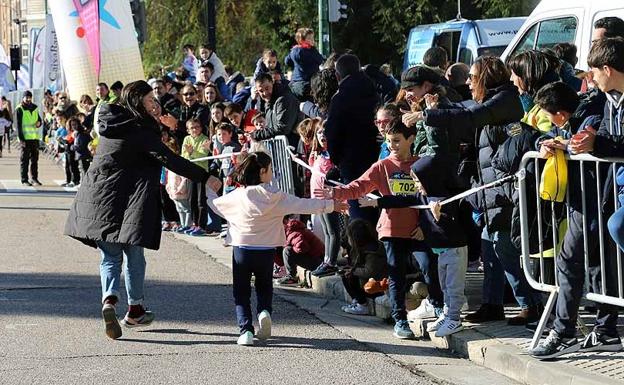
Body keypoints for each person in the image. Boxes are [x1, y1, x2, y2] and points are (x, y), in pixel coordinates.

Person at [64, 80, 211, 340]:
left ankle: (109, 300)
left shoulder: (111, 122)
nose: (155, 104)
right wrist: (206, 177)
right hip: (130, 202)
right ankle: (135, 308)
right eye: (150, 100)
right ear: (137, 101)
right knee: (134, 256)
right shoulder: (140, 131)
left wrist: (164, 127)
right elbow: (170, 158)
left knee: (109, 257)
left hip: (98, 199)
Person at [531, 37, 624, 360]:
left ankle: (569, 330)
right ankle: (603, 328)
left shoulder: (604, 99)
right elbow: (575, 134)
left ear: (607, 69)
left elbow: (601, 140)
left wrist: (592, 145)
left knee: (577, 260)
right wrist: (552, 142)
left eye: (593, 72)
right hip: (598, 194)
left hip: (601, 195)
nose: (588, 78)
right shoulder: (607, 97)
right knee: (592, 262)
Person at [206, 151, 346, 346]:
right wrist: (331, 205)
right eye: (270, 169)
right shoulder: (276, 197)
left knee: (241, 291)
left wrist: (209, 190)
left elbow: (214, 205)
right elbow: (305, 204)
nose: (272, 172)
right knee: (264, 285)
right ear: (263, 172)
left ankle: (245, 329)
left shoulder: (237, 195)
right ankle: (264, 311)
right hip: (267, 250)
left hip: (242, 249)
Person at [317, 121, 420, 340]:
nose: (392, 145)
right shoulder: (381, 166)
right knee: (396, 275)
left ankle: (437, 307)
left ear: (410, 140)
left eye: (396, 141)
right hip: (392, 228)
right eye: (389, 141)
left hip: (419, 229)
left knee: (429, 268)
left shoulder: (419, 165)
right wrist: (338, 193)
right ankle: (400, 320)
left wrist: (423, 225)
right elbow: (360, 186)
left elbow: (424, 198)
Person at [360, 155, 468, 336]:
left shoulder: (443, 199)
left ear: (429, 178)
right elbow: (403, 200)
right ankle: (448, 315)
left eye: (418, 181)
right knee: (445, 287)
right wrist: (377, 201)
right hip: (441, 251)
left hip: (454, 250)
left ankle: (455, 319)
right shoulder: (422, 196)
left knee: (453, 287)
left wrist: (438, 216)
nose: (416, 185)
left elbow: (452, 227)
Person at [324, 54, 380, 222]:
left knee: (358, 213)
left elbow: (332, 132)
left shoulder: (339, 98)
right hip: (377, 157)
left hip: (351, 162)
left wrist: (337, 160)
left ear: (337, 75)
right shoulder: (375, 90)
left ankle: (362, 245)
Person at [339, 219, 388, 316]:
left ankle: (362, 305)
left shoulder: (372, 251)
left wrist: (352, 271)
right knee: (345, 273)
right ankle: (357, 301)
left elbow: (370, 271)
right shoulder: (360, 248)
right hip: (368, 281)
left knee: (350, 276)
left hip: (376, 285)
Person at [508, 50, 561, 133]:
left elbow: (548, 141)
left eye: (513, 74)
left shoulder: (546, 110)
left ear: (526, 77)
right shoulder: (530, 105)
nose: (511, 79)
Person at [250, 73, 303, 148]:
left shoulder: (283, 99)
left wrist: (257, 135)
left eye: (267, 88)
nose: (265, 93)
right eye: (261, 91)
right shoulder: (268, 102)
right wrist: (254, 100)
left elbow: (283, 128)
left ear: (272, 83)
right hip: (279, 148)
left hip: (292, 146)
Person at [181, 118, 212, 237]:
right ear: (188, 130)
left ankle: (202, 225)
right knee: (191, 199)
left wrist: (192, 152)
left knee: (201, 200)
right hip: (190, 172)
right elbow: (183, 155)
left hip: (201, 172)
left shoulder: (205, 139)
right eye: (192, 128)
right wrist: (190, 153)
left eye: (197, 127)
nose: (195, 129)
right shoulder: (186, 139)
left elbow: (203, 154)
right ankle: (194, 223)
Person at [277, 216, 325, 286]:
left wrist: (289, 245)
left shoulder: (293, 232)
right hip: (318, 259)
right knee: (287, 250)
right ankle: (291, 276)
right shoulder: (293, 229)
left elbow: (303, 248)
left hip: (318, 261)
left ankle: (291, 277)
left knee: (287, 251)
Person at [284, 28, 324, 101]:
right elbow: (320, 60)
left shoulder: (295, 50)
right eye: (309, 38)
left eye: (312, 38)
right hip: (309, 84)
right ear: (302, 40)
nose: (312, 40)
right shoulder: (312, 51)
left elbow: (287, 61)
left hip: (296, 84)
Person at [16, 90, 43, 186]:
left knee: (35, 160)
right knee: (25, 160)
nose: (28, 99)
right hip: (25, 138)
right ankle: (24, 179)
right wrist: (21, 139)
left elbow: (39, 119)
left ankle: (34, 178)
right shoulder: (19, 109)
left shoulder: (35, 107)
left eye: (29, 97)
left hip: (34, 137)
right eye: (26, 97)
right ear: (23, 98)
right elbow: (18, 125)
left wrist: (39, 123)